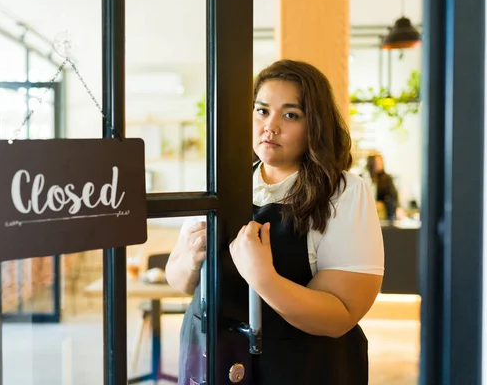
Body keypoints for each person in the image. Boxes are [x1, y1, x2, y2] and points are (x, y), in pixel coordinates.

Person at [165, 59, 385, 385]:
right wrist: (192, 258)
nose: (271, 126)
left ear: (316, 125)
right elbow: (178, 279)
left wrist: (263, 277)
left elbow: (340, 316)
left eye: (290, 114)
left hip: (300, 369)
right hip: (212, 359)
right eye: (262, 110)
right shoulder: (220, 182)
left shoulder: (343, 192)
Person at [364, 152, 405, 221]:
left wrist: (398, 208)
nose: (380, 164)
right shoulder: (364, 177)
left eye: (381, 161)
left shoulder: (386, 178)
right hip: (367, 213)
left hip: (383, 214)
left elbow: (393, 195)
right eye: (377, 162)